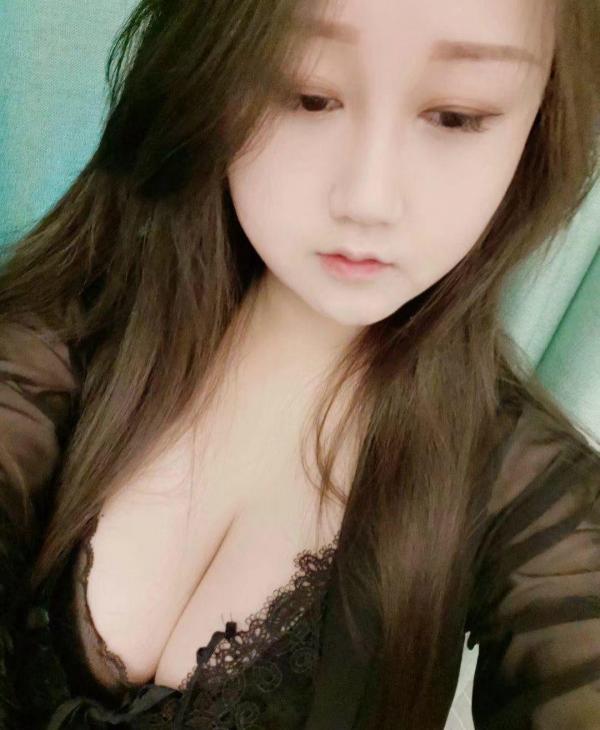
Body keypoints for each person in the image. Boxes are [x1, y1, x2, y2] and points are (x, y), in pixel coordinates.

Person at [0, 0, 599, 727]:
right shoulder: (53, 345)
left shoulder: (537, 502)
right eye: (308, 95)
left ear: (544, 116)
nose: (369, 199)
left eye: (457, 116)